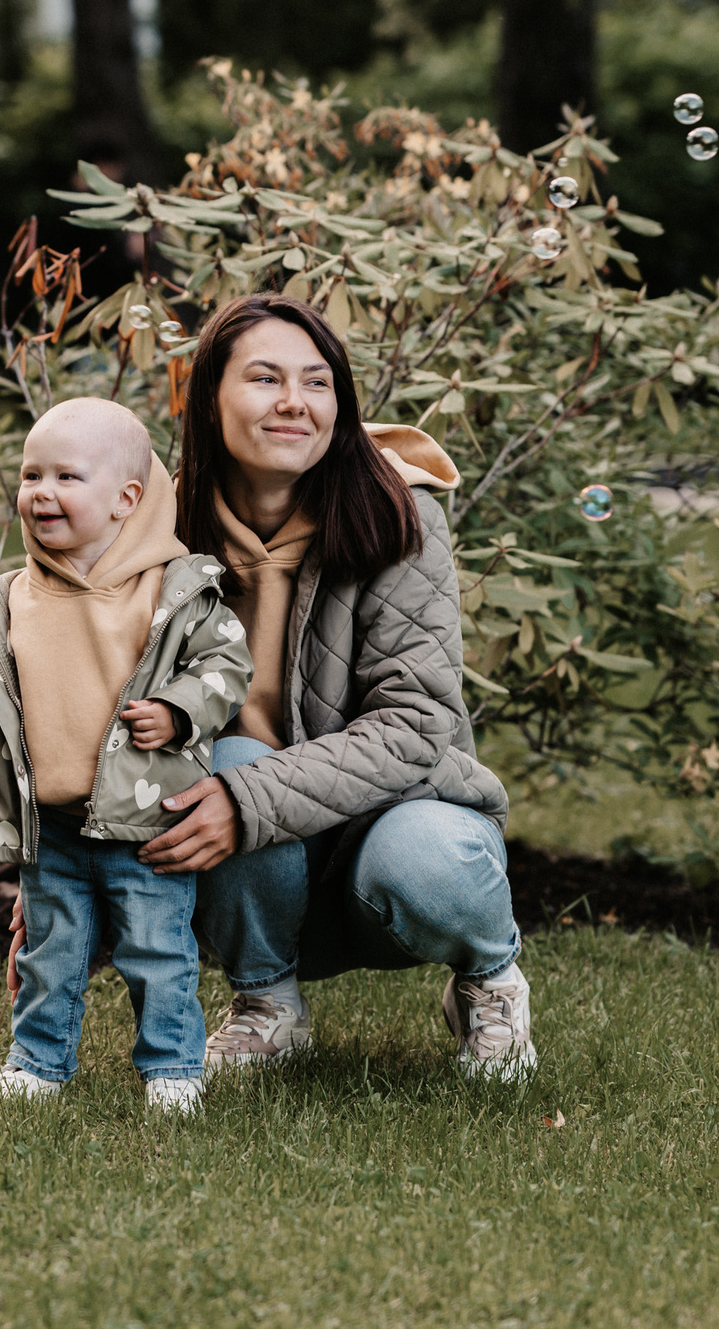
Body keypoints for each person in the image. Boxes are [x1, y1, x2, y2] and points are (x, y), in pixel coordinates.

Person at [133, 294, 536, 1080]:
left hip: (395, 824)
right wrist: (48, 877)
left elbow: (415, 724)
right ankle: (267, 1003)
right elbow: (109, 710)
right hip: (256, 865)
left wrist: (249, 798)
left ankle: (489, 980)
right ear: (209, 399)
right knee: (219, 759)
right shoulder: (161, 531)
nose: (295, 401)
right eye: (265, 378)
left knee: (428, 859)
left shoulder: (397, 512)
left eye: (317, 382)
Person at [0, 397, 252, 1114]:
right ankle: (37, 1064)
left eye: (66, 477)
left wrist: (178, 710)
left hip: (145, 820)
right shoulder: (13, 596)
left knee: (157, 952)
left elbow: (226, 667)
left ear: (125, 500)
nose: (41, 491)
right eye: (30, 475)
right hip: (53, 825)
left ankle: (173, 1068)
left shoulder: (171, 588)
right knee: (51, 951)